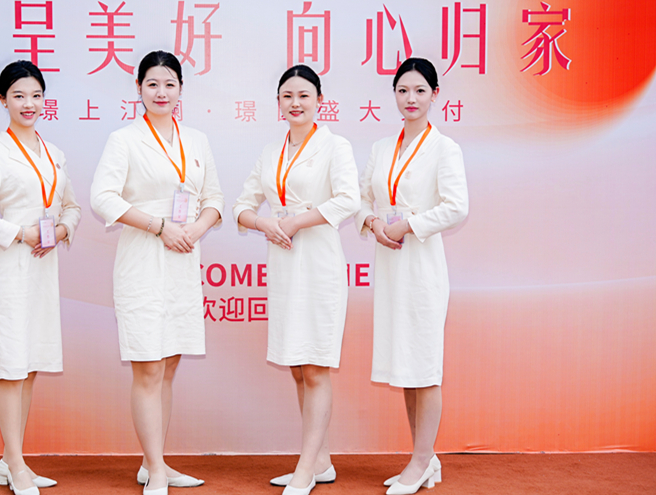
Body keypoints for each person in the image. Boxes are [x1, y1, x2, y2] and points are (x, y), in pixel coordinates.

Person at [90, 50, 224, 495]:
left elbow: (215, 199)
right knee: (148, 367)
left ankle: (155, 464)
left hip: (183, 258)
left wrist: (194, 230)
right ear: (139, 89)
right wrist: (159, 227)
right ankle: (157, 470)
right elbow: (103, 198)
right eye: (152, 84)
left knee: (168, 365)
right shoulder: (124, 140)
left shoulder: (197, 140)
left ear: (181, 89)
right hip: (143, 259)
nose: (161, 92)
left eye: (169, 84)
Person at [233, 65, 360, 495]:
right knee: (297, 366)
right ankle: (320, 460)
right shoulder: (271, 151)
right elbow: (241, 206)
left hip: (319, 264)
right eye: (287, 96)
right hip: (284, 265)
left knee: (316, 366)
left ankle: (305, 469)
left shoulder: (335, 145)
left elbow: (348, 199)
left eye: (304, 95)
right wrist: (264, 223)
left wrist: (296, 222)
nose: (295, 103)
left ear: (319, 100)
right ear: (278, 103)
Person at [0, 60, 81, 495]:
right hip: (10, 272)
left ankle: (11, 459)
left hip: (43, 270)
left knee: (29, 368)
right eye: (18, 96)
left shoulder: (54, 153)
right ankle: (15, 464)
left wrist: (62, 231)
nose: (28, 104)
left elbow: (72, 206)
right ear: (3, 100)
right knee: (12, 369)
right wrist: (21, 233)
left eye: (35, 95)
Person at [355, 58, 468, 495]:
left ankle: (420, 461)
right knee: (404, 363)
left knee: (424, 366)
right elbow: (361, 197)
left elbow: (456, 207)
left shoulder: (445, 148)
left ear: (435, 95)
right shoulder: (382, 147)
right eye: (403, 90)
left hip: (421, 267)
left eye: (420, 90)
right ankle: (425, 457)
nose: (411, 99)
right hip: (389, 265)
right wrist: (372, 222)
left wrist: (408, 225)